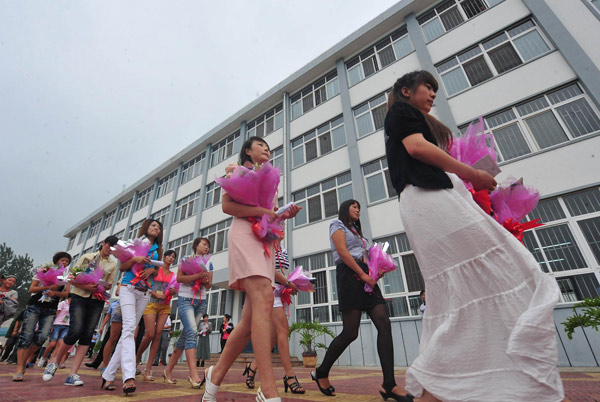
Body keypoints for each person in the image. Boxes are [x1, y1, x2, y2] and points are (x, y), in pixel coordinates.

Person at [384, 70, 564, 401]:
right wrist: (472, 173)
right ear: (406, 91)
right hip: (429, 199)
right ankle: (450, 382)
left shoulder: (413, 119)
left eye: (435, 90)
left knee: (468, 289)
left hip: (433, 199)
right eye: (428, 87)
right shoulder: (401, 111)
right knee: (503, 268)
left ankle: (442, 387)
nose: (433, 94)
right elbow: (417, 147)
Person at [202, 136, 301, 402]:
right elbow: (228, 206)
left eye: (269, 147)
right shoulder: (238, 171)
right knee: (265, 298)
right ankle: (267, 388)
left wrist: (281, 213)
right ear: (248, 150)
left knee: (247, 323)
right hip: (245, 236)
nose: (266, 149)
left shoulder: (271, 181)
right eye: (261, 146)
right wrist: (263, 210)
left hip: (264, 242)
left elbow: (269, 213)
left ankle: (215, 375)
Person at [311, 200, 412, 401]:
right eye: (354, 206)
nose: (358, 209)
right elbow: (342, 252)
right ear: (345, 209)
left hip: (366, 277)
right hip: (349, 276)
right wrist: (363, 274)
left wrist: (375, 272)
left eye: (359, 207)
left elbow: (364, 258)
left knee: (384, 323)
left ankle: (389, 384)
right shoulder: (337, 225)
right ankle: (322, 371)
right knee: (350, 333)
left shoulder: (358, 233)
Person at [43, 235, 118, 386]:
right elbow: (72, 278)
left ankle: (73, 374)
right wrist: (86, 286)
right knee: (75, 331)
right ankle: (54, 362)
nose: (110, 249)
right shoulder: (87, 257)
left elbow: (110, 284)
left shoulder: (113, 264)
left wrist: (101, 286)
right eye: (109, 245)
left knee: (87, 335)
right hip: (79, 297)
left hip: (97, 300)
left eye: (114, 248)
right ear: (103, 243)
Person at [101, 220, 163, 395]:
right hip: (129, 288)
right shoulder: (133, 244)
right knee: (129, 328)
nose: (156, 228)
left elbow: (158, 270)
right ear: (146, 228)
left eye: (158, 227)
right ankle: (128, 377)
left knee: (127, 332)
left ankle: (108, 375)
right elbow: (124, 267)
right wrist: (134, 258)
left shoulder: (157, 250)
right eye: (153, 226)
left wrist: (153, 271)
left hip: (145, 292)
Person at [243, 246, 305, 394]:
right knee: (283, 330)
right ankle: (289, 375)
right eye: (279, 222)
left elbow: (282, 271)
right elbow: (269, 268)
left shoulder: (283, 249)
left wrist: (291, 283)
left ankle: (252, 368)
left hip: (281, 292)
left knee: (272, 339)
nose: (282, 227)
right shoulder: (268, 245)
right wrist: (288, 283)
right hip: (270, 290)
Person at [13, 252, 71, 381]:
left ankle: (23, 360)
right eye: (62, 260)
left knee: (43, 337)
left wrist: (54, 292)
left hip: (50, 309)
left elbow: (66, 293)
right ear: (56, 260)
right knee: (26, 335)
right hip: (35, 306)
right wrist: (47, 287)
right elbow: (32, 289)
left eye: (67, 261)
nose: (64, 263)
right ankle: (19, 368)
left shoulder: (66, 277)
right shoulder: (44, 271)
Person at [163, 238, 212, 388]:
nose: (206, 247)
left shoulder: (209, 263)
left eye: (208, 246)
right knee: (191, 332)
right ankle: (193, 373)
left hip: (201, 301)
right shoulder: (186, 259)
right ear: (196, 246)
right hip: (185, 300)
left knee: (185, 336)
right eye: (204, 244)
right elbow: (180, 278)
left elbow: (209, 285)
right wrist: (197, 276)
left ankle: (168, 370)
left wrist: (204, 279)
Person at [136, 249, 177, 381]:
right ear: (163, 257)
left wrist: (171, 291)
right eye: (169, 256)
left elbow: (174, 290)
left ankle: (148, 370)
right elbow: (145, 284)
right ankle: (136, 359)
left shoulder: (173, 275)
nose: (171, 258)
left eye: (173, 257)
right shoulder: (155, 270)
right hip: (151, 303)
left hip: (165, 305)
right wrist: (155, 294)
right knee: (150, 334)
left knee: (159, 333)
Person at [38, 297, 71, 367]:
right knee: (52, 343)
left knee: (59, 344)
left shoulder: (74, 305)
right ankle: (43, 357)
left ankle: (51, 362)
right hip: (57, 324)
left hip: (67, 326)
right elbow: (56, 314)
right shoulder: (62, 303)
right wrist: (51, 325)